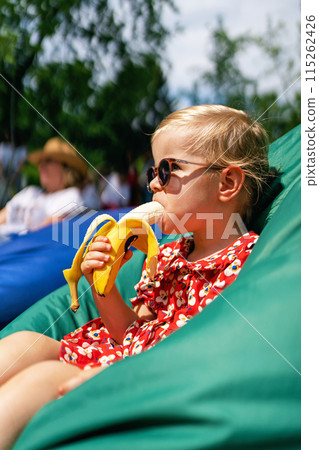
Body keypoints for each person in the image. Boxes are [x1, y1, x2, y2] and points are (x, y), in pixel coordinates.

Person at [0, 105, 271, 448]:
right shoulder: (168, 253)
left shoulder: (243, 260)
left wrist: (125, 375)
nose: (154, 184)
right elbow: (129, 330)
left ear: (227, 183)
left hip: (147, 377)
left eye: (169, 170)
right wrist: (104, 284)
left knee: (41, 379)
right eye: (151, 172)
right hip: (114, 353)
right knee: (26, 342)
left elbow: (212, 350)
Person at [0, 137, 87, 236]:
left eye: (48, 161)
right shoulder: (30, 192)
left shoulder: (71, 196)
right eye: (41, 162)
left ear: (65, 168)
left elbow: (42, 235)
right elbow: (2, 216)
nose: (41, 166)